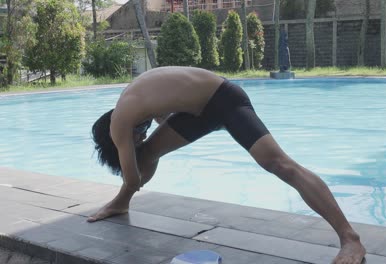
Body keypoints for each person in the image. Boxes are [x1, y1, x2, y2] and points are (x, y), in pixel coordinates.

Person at [89, 66, 366, 264]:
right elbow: (166, 105)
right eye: (139, 135)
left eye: (137, 136)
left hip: (224, 100)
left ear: (115, 137)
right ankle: (121, 204)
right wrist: (138, 162)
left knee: (279, 164)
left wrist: (131, 174)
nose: (143, 135)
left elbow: (132, 178)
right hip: (198, 111)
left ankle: (349, 237)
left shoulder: (121, 121)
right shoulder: (132, 108)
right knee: (148, 153)